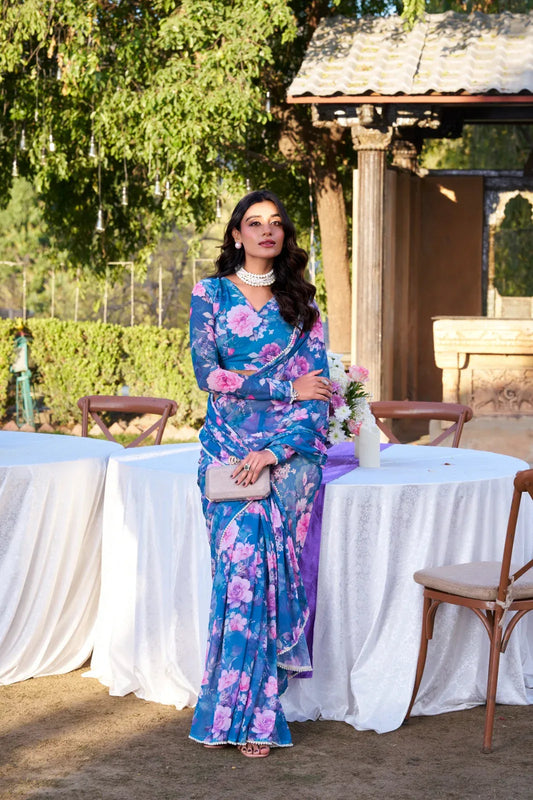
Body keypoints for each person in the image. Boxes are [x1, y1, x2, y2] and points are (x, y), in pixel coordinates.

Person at [188, 189, 332, 758]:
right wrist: (281, 386)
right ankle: (235, 704)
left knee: (258, 563)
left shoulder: (305, 307)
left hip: (288, 457)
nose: (266, 231)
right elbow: (210, 376)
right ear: (236, 235)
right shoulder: (211, 295)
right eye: (255, 223)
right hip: (225, 448)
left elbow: (317, 397)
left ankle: (256, 709)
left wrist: (274, 451)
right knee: (242, 562)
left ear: (284, 236)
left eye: (275, 223)